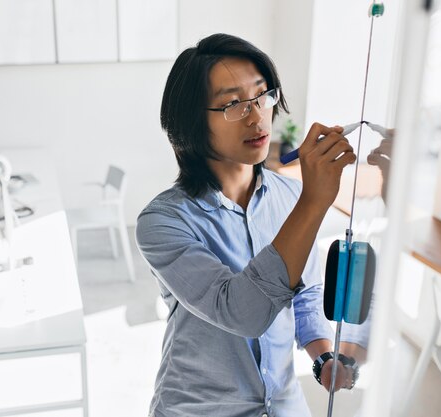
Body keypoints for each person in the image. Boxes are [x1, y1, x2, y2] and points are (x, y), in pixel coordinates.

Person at [136, 33, 366, 416]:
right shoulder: (163, 223)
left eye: (262, 96)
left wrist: (324, 357)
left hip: (285, 405)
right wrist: (314, 201)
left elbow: (306, 292)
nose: (257, 115)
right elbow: (241, 312)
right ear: (191, 122)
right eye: (232, 104)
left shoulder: (291, 197)